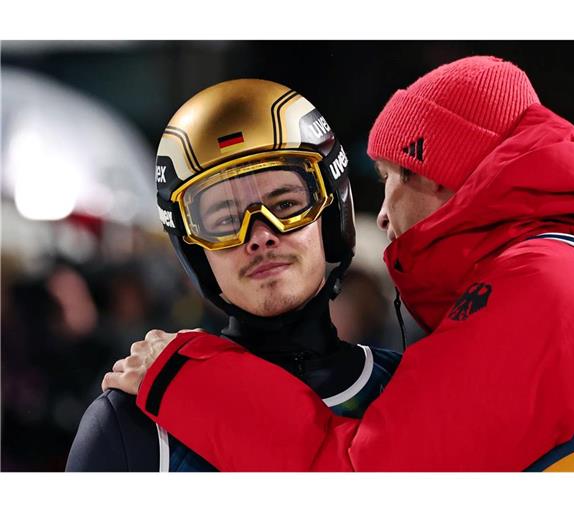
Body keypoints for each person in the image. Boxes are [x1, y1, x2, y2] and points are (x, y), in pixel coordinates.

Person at [105, 56, 574, 471]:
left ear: (445, 174)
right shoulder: (545, 275)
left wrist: (185, 379)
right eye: (223, 217)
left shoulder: (545, 282)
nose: (384, 215)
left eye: (394, 178)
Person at [65, 79, 401, 471]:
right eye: (224, 219)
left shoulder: (410, 388)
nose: (260, 236)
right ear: (195, 249)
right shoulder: (130, 424)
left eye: (287, 204)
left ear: (330, 215)